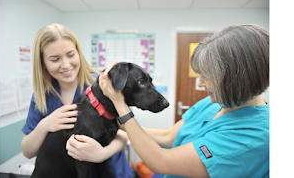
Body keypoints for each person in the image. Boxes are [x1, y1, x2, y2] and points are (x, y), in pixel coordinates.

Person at [98, 24, 269, 178]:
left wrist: (120, 105)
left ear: (238, 79)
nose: (200, 83)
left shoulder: (254, 136)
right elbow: (168, 136)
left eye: (207, 76)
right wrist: (116, 123)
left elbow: (161, 161)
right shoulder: (215, 102)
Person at [21, 23, 135, 178]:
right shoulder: (42, 96)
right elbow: (28, 151)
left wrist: (102, 153)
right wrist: (44, 125)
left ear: (78, 53)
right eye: (55, 59)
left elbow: (127, 132)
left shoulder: (103, 85)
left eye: (70, 55)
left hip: (110, 171)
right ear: (43, 63)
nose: (66, 65)